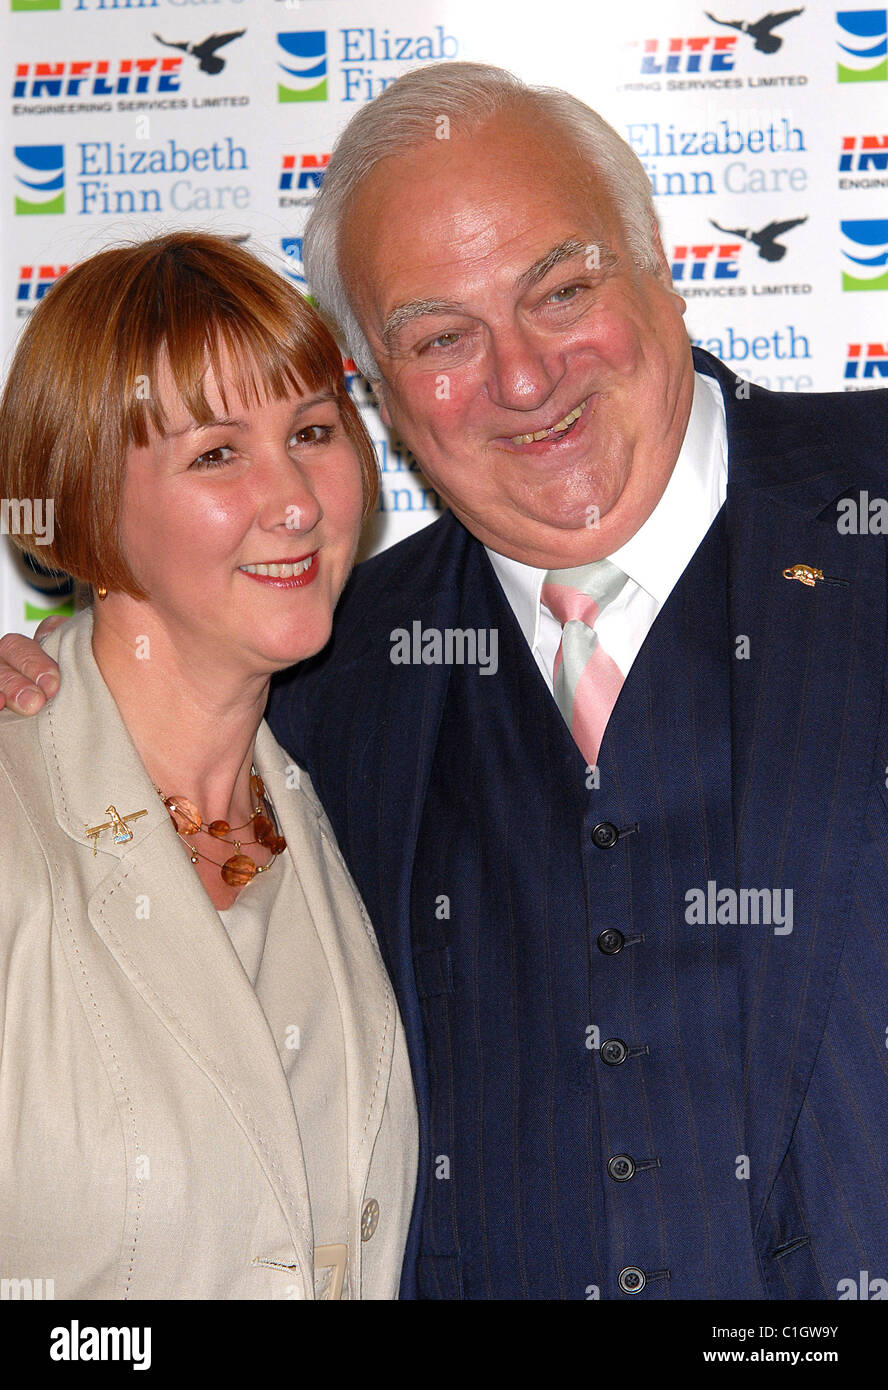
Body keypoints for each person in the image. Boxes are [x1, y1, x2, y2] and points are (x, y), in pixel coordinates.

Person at [4, 63, 888, 1301]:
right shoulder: (327, 675)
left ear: (660, 263)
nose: (523, 378)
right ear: (384, 381)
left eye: (563, 288)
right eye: (439, 338)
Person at [0, 231, 417, 1300]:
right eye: (217, 454)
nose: (296, 500)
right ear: (82, 494)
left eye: (314, 431)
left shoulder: (336, 794)